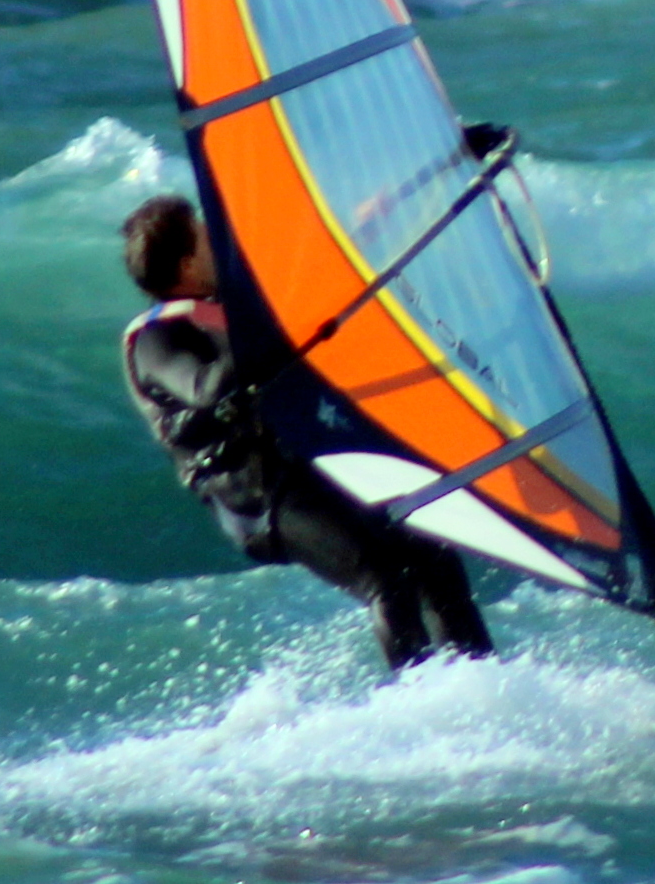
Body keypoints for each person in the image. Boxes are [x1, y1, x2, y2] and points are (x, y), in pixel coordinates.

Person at [120, 191, 492, 670]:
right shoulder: (157, 338)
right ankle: (421, 704)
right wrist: (286, 325)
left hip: (306, 465)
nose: (221, 241)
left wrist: (447, 166)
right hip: (257, 498)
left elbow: (345, 237)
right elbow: (206, 387)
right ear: (187, 263)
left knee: (433, 556)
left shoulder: (234, 302)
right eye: (207, 236)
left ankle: (484, 686)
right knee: (384, 577)